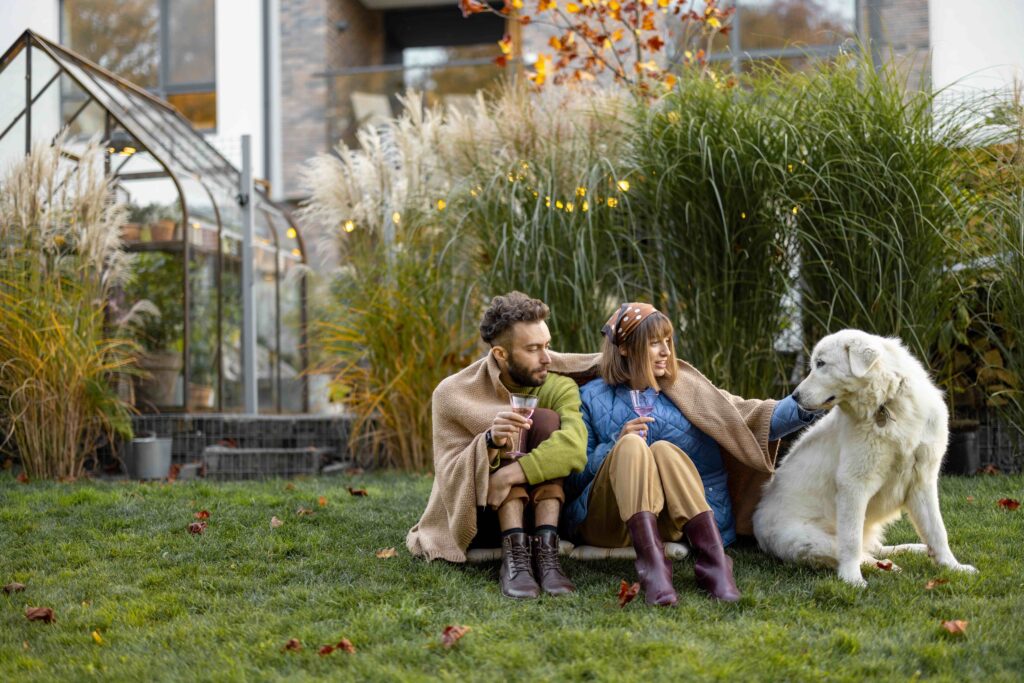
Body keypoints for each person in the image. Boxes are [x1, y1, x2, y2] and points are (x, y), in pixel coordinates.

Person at [561, 303, 815, 605]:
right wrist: (615, 444)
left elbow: (749, 418)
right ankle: (653, 568)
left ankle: (714, 563)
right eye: (654, 342)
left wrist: (811, 402)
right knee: (630, 445)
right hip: (608, 522)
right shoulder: (588, 397)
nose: (666, 351)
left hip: (670, 522)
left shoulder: (685, 389)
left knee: (664, 449)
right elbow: (575, 477)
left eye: (668, 341)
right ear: (626, 348)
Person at [407, 292, 588, 599]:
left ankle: (547, 555)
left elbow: (573, 446)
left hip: (541, 512)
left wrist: (509, 474)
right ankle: (514, 557)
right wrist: (490, 442)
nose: (546, 357)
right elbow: (450, 471)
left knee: (542, 420)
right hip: (478, 516)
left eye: (547, 345)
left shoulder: (558, 385)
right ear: (501, 355)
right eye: (533, 349)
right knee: (507, 423)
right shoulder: (453, 393)